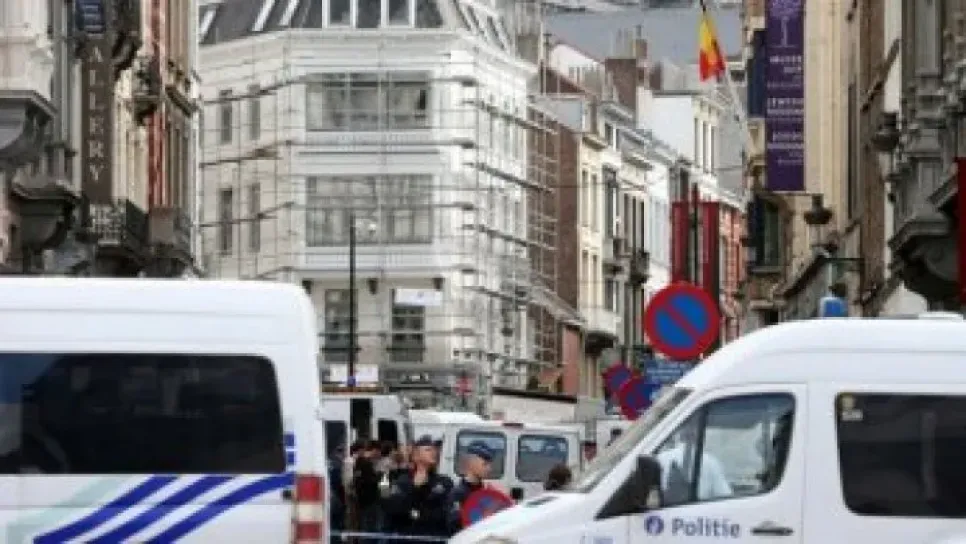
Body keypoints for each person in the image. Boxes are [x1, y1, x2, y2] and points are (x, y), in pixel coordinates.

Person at [383, 435, 453, 543]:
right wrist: (415, 488)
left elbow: (447, 511)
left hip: (436, 537)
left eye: (435, 449)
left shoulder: (444, 482)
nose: (434, 452)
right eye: (428, 450)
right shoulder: (403, 481)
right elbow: (395, 510)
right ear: (416, 455)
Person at [655, 420, 732, 503]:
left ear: (680, 433)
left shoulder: (661, 459)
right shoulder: (710, 462)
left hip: (667, 509)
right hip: (699, 509)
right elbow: (724, 496)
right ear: (700, 435)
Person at [448, 441, 494, 533]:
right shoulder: (458, 494)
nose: (489, 469)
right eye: (485, 464)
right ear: (472, 463)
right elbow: (454, 527)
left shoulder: (486, 492)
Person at [353, 440, 384, 542]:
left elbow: (357, 480)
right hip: (370, 499)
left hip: (362, 499)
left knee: (364, 525)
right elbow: (369, 480)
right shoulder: (366, 463)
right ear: (375, 450)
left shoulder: (359, 462)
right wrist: (379, 476)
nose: (379, 454)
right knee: (371, 526)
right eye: (379, 452)